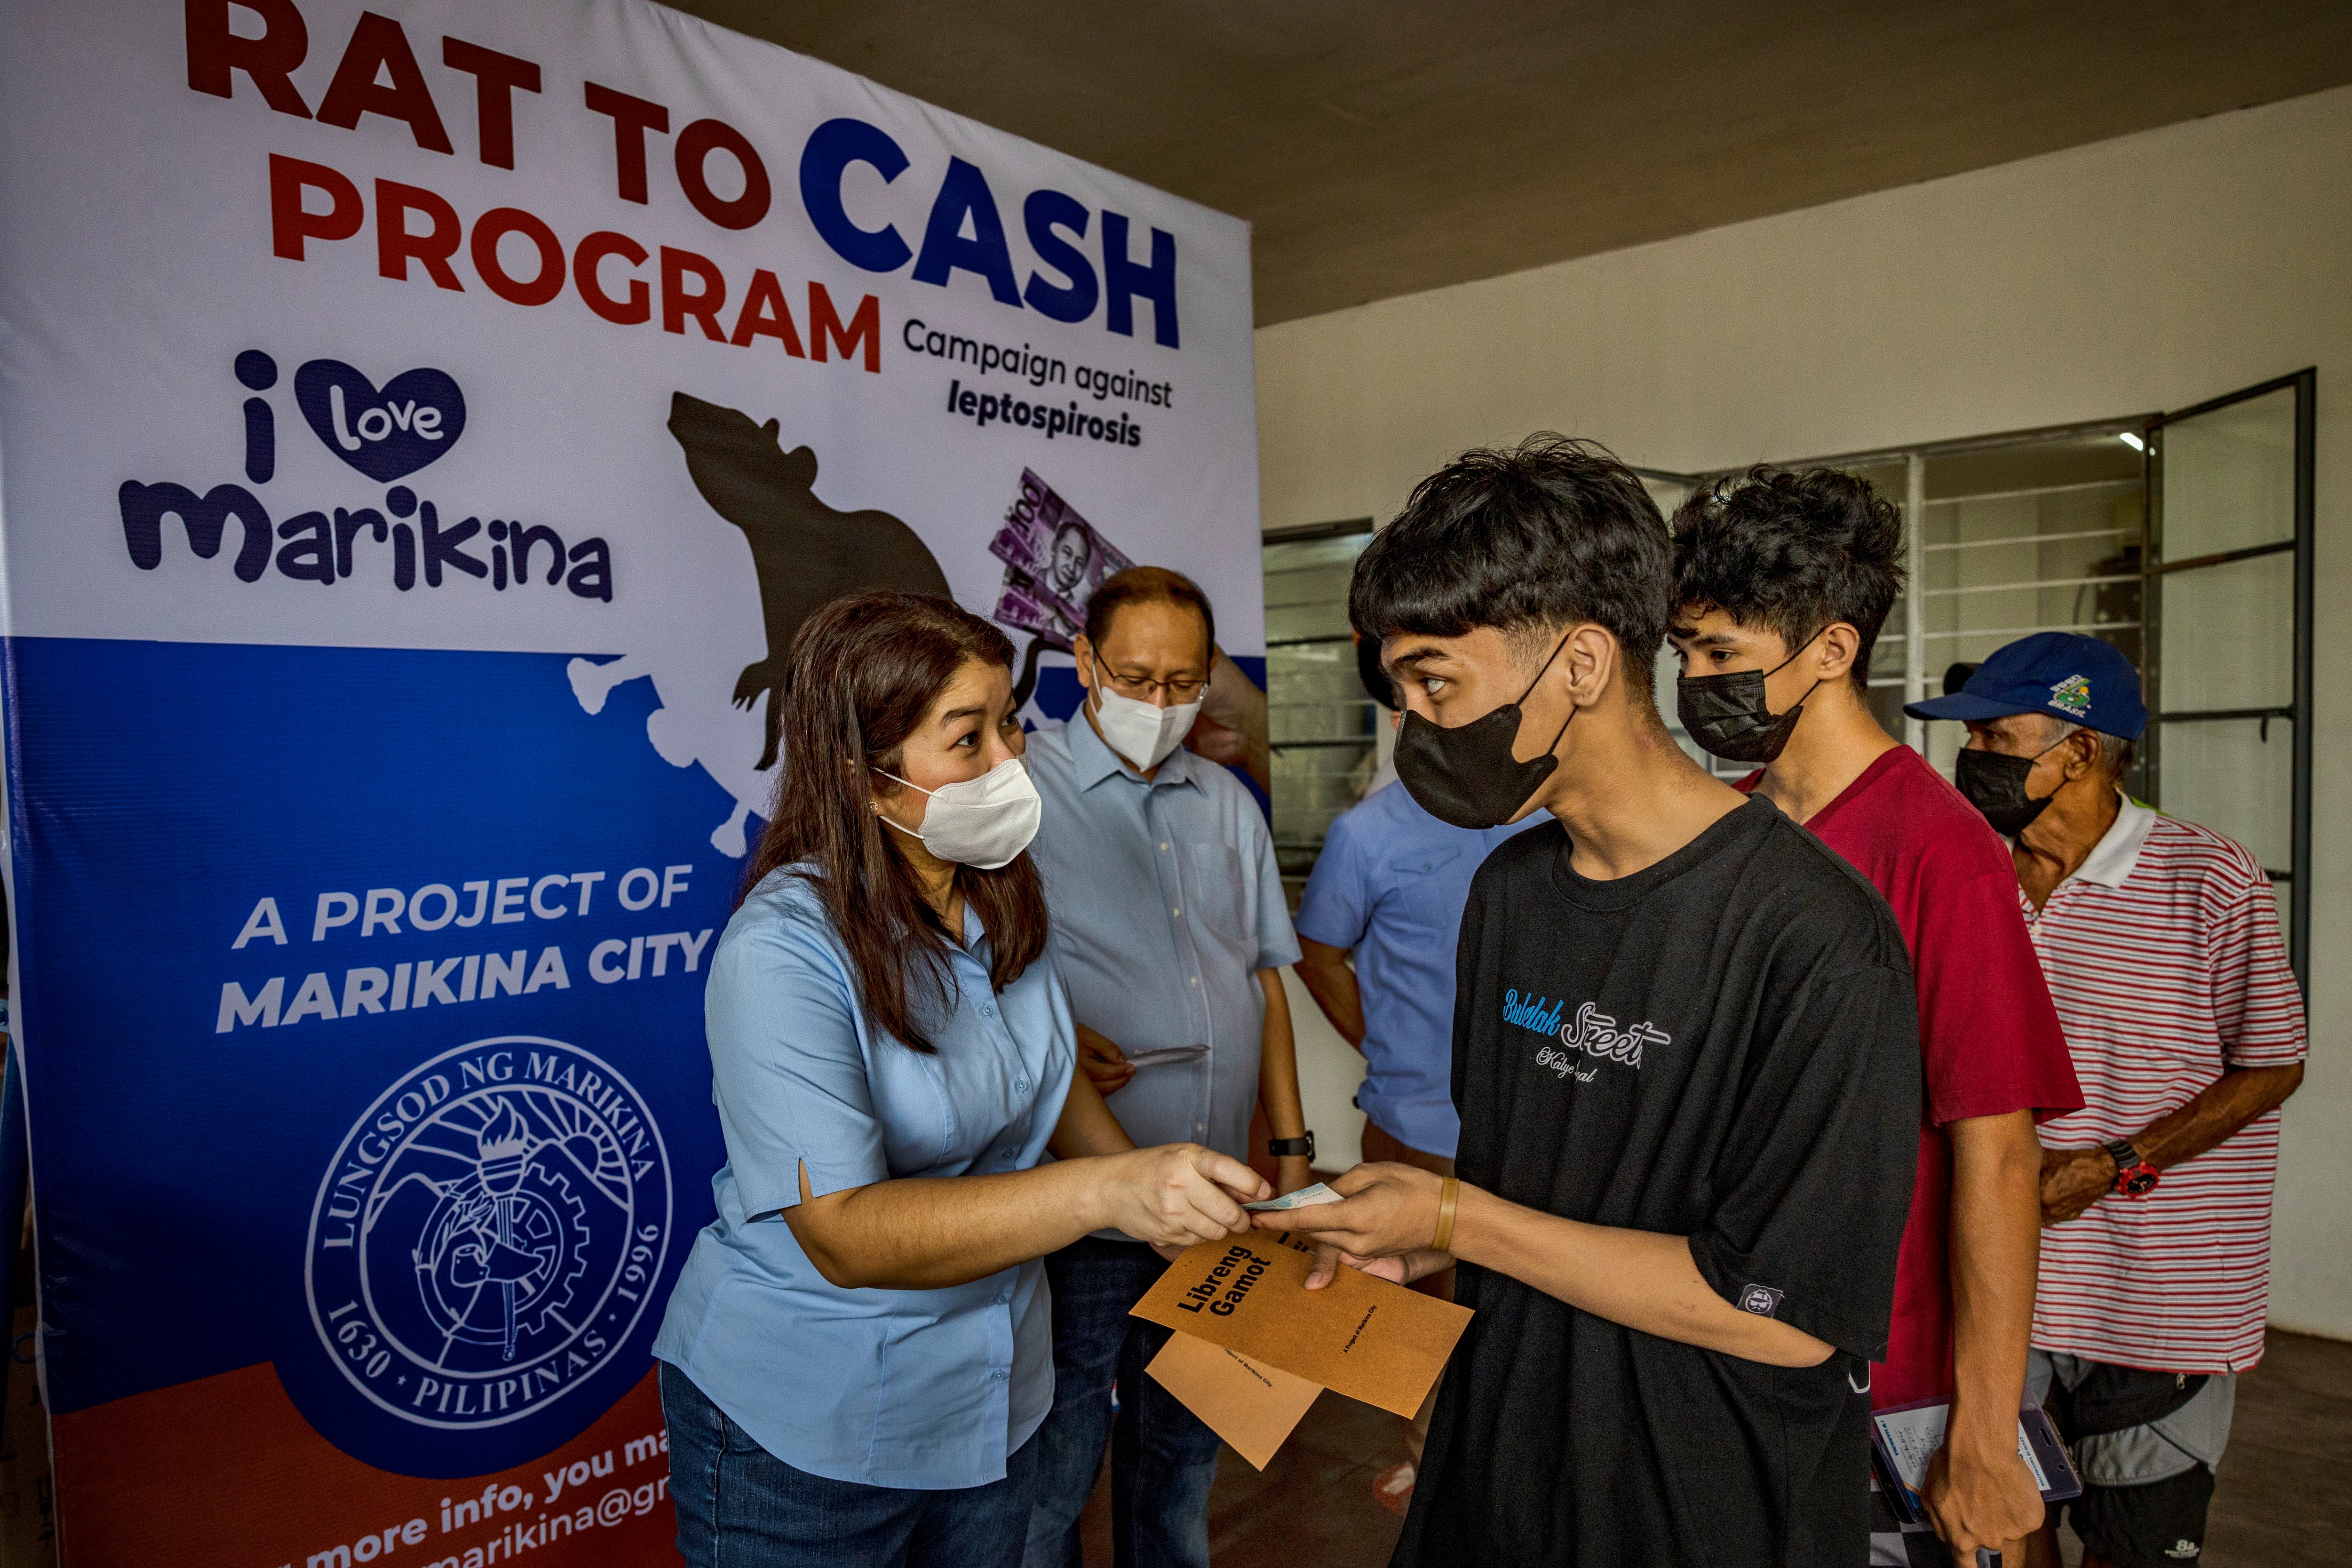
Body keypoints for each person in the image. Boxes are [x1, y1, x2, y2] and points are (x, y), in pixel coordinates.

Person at [1255, 436, 1923, 1568]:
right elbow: (1524, 1191)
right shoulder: (1511, 891)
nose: (1414, 723)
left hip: (1694, 1499)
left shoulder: (1813, 934)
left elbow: (1784, 1312)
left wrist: (1452, 1219)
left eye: (1436, 681)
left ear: (1578, 664)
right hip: (1504, 1467)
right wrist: (1412, 1243)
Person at [653, 591, 1268, 1568]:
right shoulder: (784, 948)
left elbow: (1050, 1077)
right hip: (812, 1423)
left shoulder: (998, 897)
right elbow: (845, 1235)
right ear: (867, 777)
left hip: (994, 1404)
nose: (1010, 759)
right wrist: (1111, 1189)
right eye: (967, 738)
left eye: (1009, 724)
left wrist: (1170, 1196)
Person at [1668, 467, 2084, 1568]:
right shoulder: (1729, 831)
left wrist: (1984, 1429)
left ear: (1833, 649)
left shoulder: (1936, 847)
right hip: (1732, 1348)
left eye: (1720, 653)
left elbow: (1995, 1154)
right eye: (1684, 653)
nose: (1694, 679)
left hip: (1888, 1376)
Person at [1907, 633, 2306, 1568]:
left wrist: (2116, 1161)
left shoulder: (2211, 879)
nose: (1972, 760)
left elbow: (2272, 1064)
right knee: (2001, 1530)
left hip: (2156, 1306)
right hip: (2002, 1298)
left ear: (2077, 750)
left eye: (1995, 737)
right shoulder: (1967, 881)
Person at [1020, 566, 1307, 1568]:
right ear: (1084, 663)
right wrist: (1052, 1031)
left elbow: (1265, 982)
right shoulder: (1016, 794)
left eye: (1183, 682)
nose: (1158, 703)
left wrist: (1294, 1154)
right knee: (1052, 1472)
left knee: (1182, 1457)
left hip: (1224, 1193)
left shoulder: (1226, 801)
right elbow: (972, 983)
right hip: (1083, 1208)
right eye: (1135, 677)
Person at [1291, 641, 1540, 1512]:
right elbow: (1320, 952)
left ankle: (1511, 1476)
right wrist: (1383, 1042)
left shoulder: (1546, 814)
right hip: (1413, 1121)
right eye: (1415, 696)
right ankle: (1430, 1461)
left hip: (1532, 1122)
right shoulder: (1369, 832)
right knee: (1411, 1312)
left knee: (1522, 1308)